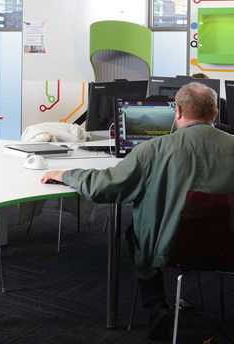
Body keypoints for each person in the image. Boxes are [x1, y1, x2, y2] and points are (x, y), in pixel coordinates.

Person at [42, 83, 234, 340]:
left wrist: (67, 174)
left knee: (136, 233)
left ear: (177, 111)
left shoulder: (151, 151)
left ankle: (157, 305)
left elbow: (105, 187)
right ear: (216, 111)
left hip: (169, 247)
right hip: (228, 247)